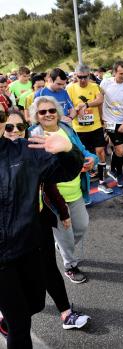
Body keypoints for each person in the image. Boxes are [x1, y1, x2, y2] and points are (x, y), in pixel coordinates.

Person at [0, 109, 90, 338]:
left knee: (36, 302)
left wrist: (68, 150)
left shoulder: (27, 153)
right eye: (9, 126)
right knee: (20, 325)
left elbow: (59, 177)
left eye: (19, 127)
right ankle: (60, 312)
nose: (13, 131)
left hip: (31, 232)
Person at [29, 96, 98, 284]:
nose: (48, 114)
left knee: (81, 226)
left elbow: (82, 151)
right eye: (42, 112)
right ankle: (70, 266)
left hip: (76, 191)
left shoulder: (67, 128)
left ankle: (62, 247)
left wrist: (92, 159)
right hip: (53, 198)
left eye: (52, 110)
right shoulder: (32, 135)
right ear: (36, 115)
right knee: (65, 236)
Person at [67, 64, 112, 194]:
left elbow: (100, 99)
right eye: (79, 77)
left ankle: (102, 182)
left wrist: (86, 104)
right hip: (79, 129)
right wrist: (76, 110)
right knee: (82, 157)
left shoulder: (94, 86)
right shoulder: (70, 88)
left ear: (89, 75)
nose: (82, 80)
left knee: (101, 152)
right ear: (75, 76)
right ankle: (83, 186)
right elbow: (69, 107)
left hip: (95, 126)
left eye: (85, 77)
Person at [100, 61, 123, 188]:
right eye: (121, 74)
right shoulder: (105, 83)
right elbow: (99, 100)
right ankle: (119, 173)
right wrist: (101, 120)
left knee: (117, 148)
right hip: (108, 121)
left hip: (122, 121)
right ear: (114, 72)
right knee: (120, 149)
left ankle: (113, 170)